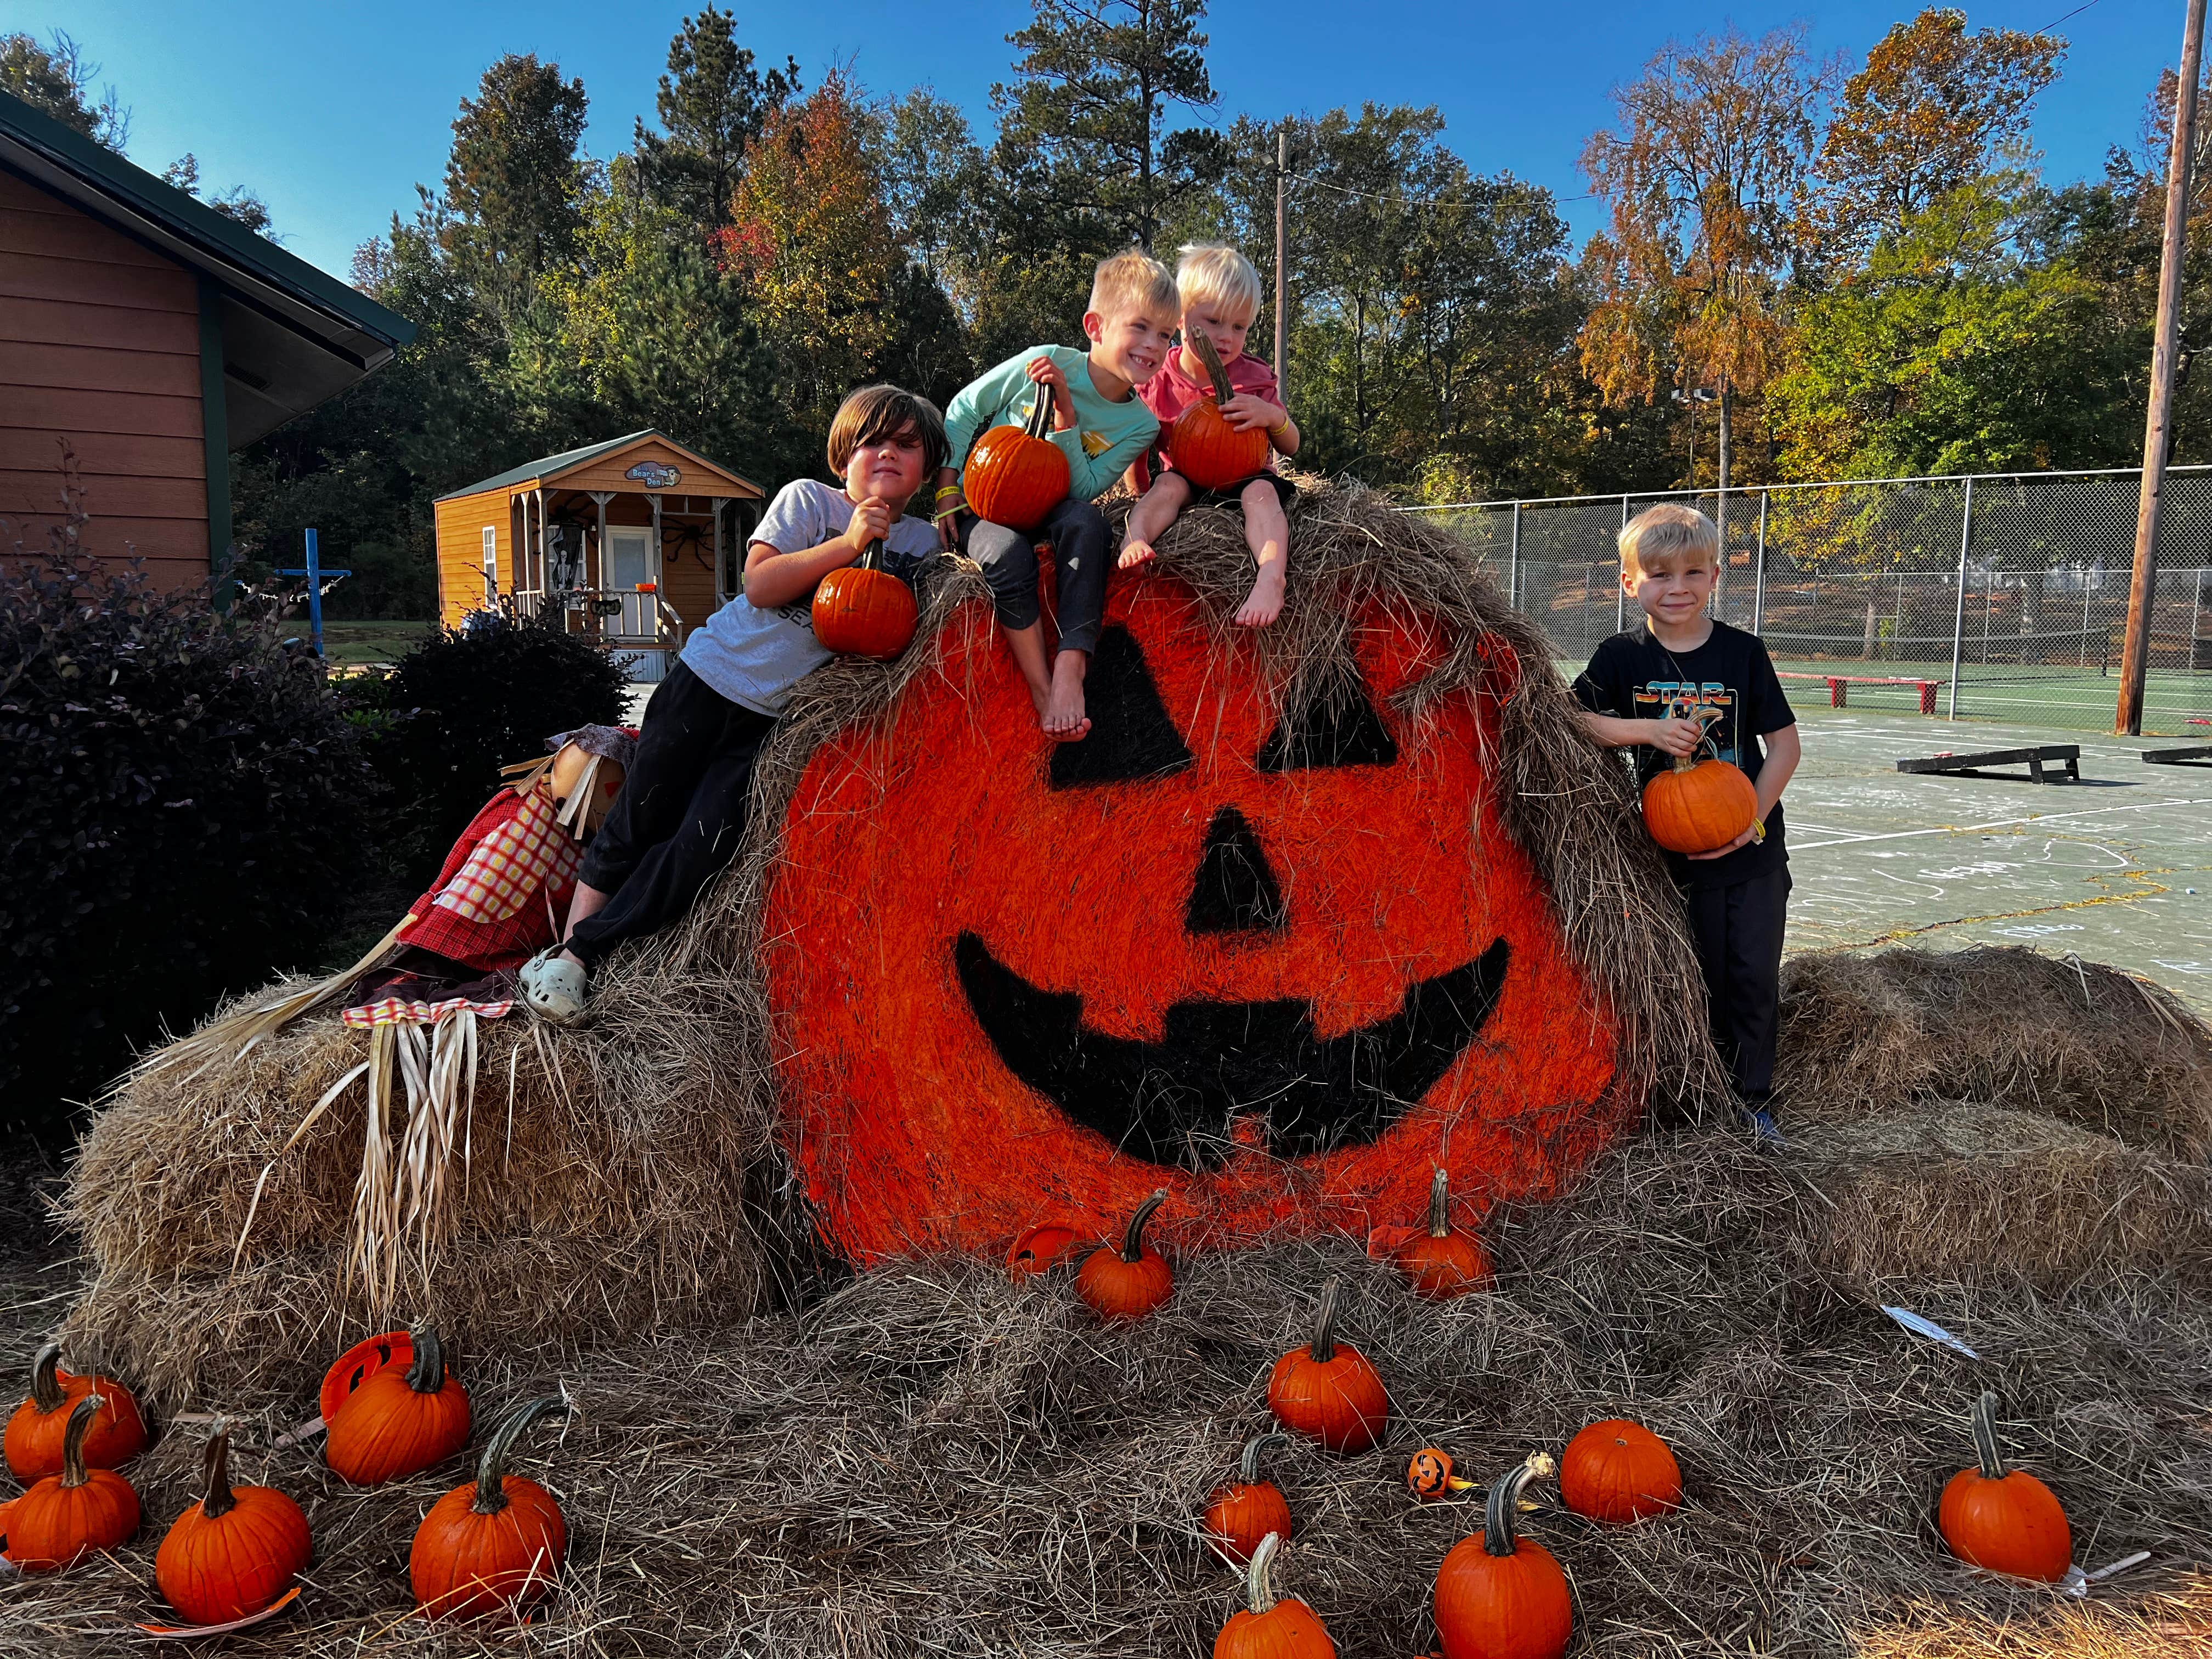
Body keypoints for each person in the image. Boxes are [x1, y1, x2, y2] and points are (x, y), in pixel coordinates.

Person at [518, 385, 949, 1024]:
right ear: (842, 458)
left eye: (906, 445)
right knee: (642, 814)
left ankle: (585, 950)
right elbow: (761, 583)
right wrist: (847, 544)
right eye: (872, 442)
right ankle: (566, 962)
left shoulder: (923, 543)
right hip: (710, 679)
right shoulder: (810, 500)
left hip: (772, 723)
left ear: (928, 463)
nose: (888, 454)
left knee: (704, 844)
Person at [1572, 503, 1802, 1142]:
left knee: (1751, 978)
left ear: (1715, 578)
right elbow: (1575, 720)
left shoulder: (1743, 654)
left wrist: (1749, 822)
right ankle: (1680, 1102)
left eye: (1693, 573)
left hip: (1750, 852)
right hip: (1662, 852)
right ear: (1629, 583)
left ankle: (1753, 1104)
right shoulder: (1620, 657)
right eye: (1659, 575)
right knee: (1684, 979)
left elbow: (1784, 746)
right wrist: (1646, 729)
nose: (1677, 588)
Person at [935, 249, 1180, 741]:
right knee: (1008, 557)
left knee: (1089, 526)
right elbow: (964, 409)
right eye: (1141, 327)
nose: (1154, 345)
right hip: (987, 505)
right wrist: (946, 489)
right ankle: (1042, 686)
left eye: (1166, 335)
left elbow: (1083, 490)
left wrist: (1066, 418)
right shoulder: (1042, 362)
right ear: (1096, 326)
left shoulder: (1140, 425)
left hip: (1055, 509)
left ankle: (1072, 662)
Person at [1118, 242, 1302, 627]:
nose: (1226, 338)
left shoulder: (1254, 377)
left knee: (1263, 494)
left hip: (1246, 475)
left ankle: (1271, 576)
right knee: (1166, 489)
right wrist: (1135, 496)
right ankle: (1134, 540)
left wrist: (1270, 416)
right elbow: (1136, 449)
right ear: (1180, 318)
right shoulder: (1158, 379)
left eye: (1239, 327)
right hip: (1186, 478)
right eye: (1214, 322)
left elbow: (1292, 445)